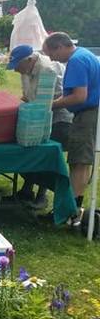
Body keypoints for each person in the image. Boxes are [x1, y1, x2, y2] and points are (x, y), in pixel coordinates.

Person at [43, 32, 100, 227]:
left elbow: (79, 96)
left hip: (87, 113)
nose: (52, 59)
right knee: (80, 162)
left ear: (60, 46)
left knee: (79, 161)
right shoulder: (85, 54)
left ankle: (70, 211)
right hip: (90, 113)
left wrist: (51, 104)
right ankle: (72, 209)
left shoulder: (76, 61)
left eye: (52, 54)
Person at [7, 44, 73, 207]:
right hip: (36, 115)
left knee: (44, 155)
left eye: (18, 66)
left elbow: (43, 106)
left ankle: (42, 196)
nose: (16, 70)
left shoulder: (47, 70)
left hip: (57, 119)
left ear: (29, 60)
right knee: (29, 153)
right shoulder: (26, 69)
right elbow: (28, 96)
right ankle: (26, 191)